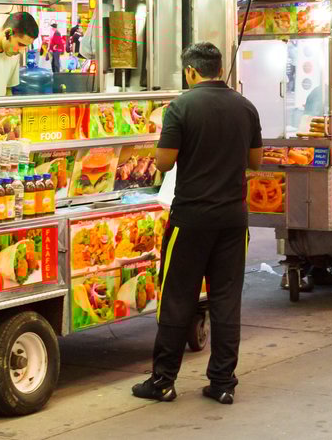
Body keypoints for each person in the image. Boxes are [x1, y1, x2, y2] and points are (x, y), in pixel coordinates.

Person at [132, 43, 262, 405]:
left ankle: (163, 381)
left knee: (177, 297)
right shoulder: (245, 107)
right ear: (218, 69)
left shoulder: (181, 107)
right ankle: (223, 382)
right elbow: (255, 161)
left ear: (190, 71)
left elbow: (163, 163)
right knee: (226, 300)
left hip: (190, 219)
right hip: (233, 219)